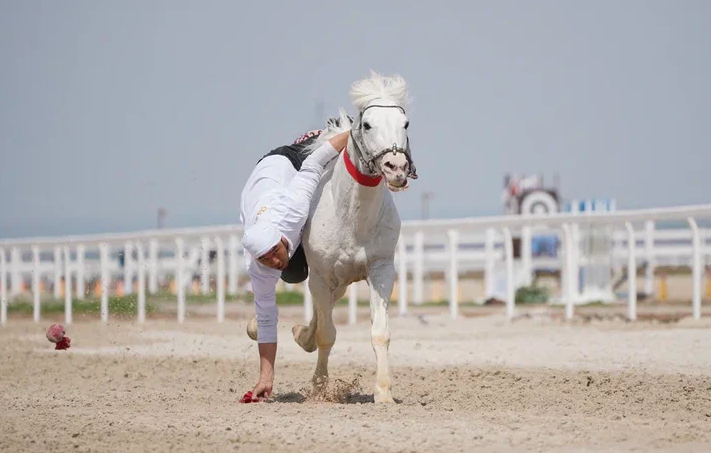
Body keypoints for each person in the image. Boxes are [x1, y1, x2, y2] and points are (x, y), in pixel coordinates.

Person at [239, 127, 350, 402]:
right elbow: (266, 317)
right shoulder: (258, 267)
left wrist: (355, 131)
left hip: (287, 162)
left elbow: (314, 162)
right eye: (266, 260)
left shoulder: (292, 207)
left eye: (274, 253)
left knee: (338, 136)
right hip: (259, 189)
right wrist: (266, 378)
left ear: (281, 238)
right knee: (294, 273)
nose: (274, 262)